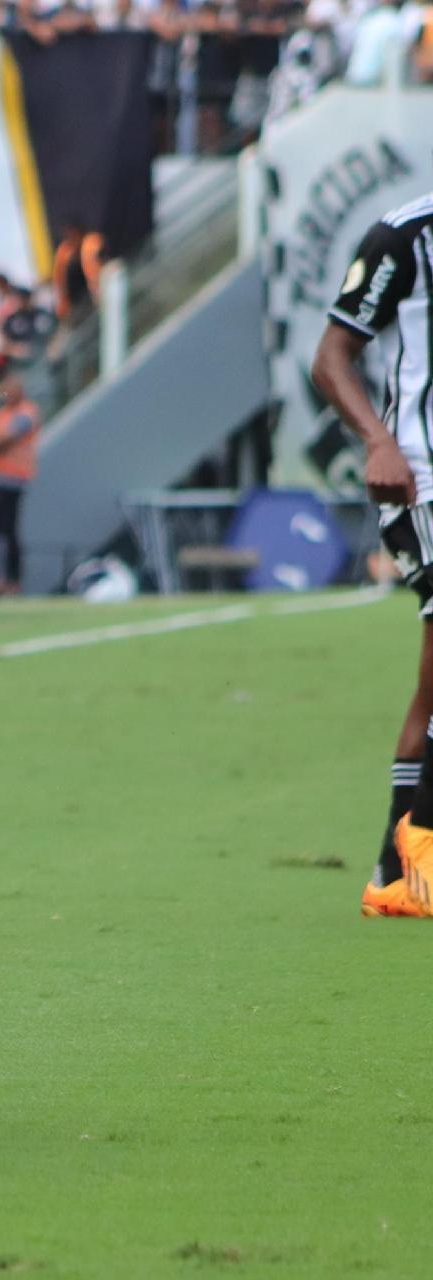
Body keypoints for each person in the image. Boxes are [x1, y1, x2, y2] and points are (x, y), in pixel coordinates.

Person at [313, 189, 433, 917]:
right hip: (419, 474)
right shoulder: (405, 236)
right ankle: (415, 851)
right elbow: (331, 358)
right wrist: (377, 441)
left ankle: (397, 874)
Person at [0, 372, 39, 596]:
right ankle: (0, 579)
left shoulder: (26, 412)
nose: (6, 393)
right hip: (1, 477)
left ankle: (8, 581)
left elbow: (0, 441)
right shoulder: (5, 412)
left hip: (14, 479)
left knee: (6, 532)